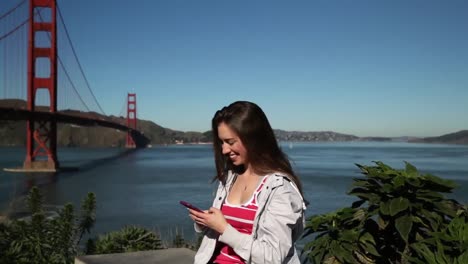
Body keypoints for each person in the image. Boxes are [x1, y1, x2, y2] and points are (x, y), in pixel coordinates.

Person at [188, 101, 307, 264]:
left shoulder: (279, 188)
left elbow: (272, 257)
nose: (224, 150)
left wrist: (224, 229)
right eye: (222, 142)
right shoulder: (230, 178)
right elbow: (222, 231)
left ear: (253, 138)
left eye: (230, 142)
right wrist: (206, 223)